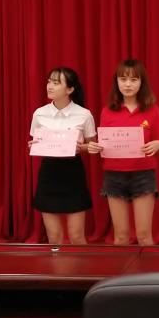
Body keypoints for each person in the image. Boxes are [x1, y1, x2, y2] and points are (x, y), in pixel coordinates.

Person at [87, 59, 159, 246]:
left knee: (144, 235)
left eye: (133, 80)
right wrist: (95, 147)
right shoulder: (107, 111)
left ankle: (148, 267)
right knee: (121, 236)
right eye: (123, 79)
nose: (128, 84)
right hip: (114, 175)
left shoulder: (152, 110)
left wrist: (157, 145)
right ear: (117, 82)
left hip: (143, 174)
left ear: (141, 82)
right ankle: (122, 267)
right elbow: (103, 143)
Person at [29, 66, 96, 246]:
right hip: (49, 173)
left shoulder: (84, 114)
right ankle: (56, 265)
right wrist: (35, 145)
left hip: (73, 173)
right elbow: (36, 141)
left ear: (70, 89)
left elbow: (93, 146)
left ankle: (82, 266)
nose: (50, 86)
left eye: (56, 83)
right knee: (54, 237)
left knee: (76, 236)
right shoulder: (39, 113)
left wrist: (81, 148)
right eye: (49, 82)